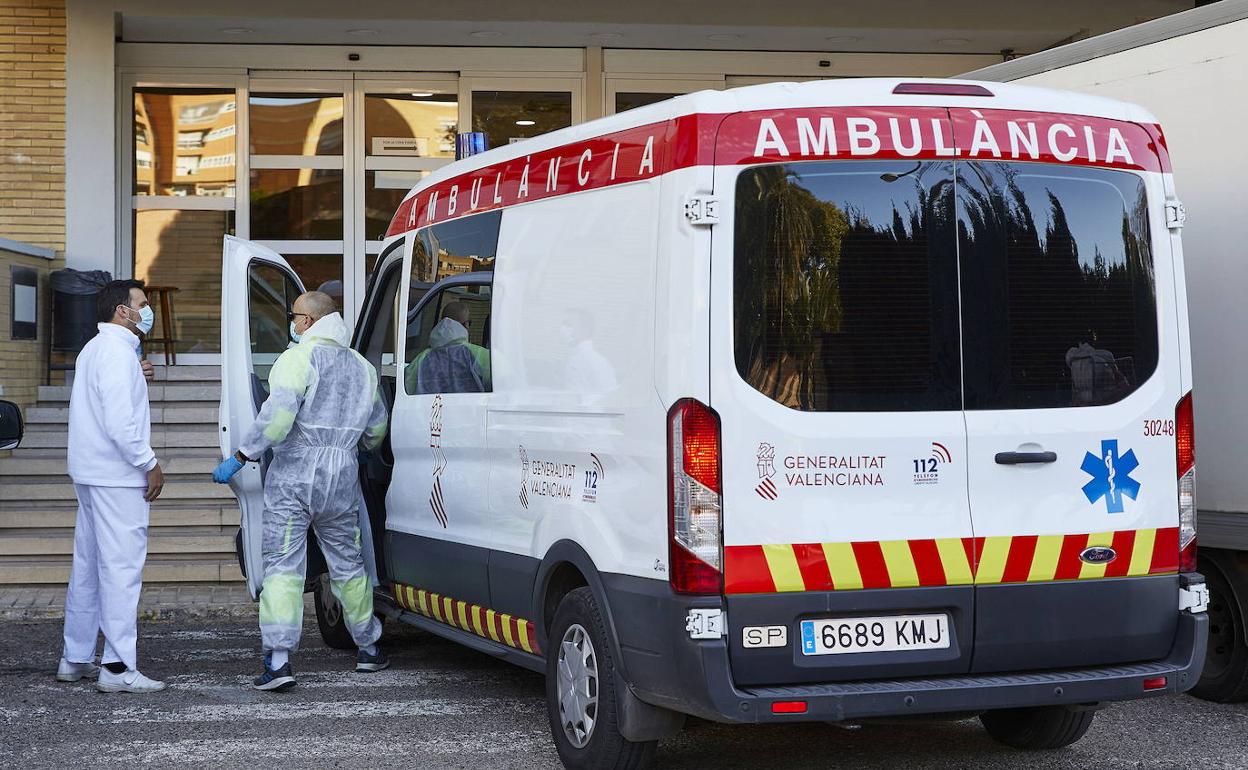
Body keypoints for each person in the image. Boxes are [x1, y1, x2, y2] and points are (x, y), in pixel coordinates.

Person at [212, 291, 390, 691]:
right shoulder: (362, 367)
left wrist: (242, 455)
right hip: (341, 477)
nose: (291, 324)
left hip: (294, 476)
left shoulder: (296, 359)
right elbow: (376, 428)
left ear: (308, 321)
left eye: (294, 317)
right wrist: (351, 451)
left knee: (283, 565)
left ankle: (278, 662)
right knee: (347, 562)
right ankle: (369, 648)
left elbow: (277, 419)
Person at [58, 279, 166, 694]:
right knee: (121, 570)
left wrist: (137, 372)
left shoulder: (98, 349)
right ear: (123, 311)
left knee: (87, 569)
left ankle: (76, 657)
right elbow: (121, 424)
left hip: (90, 473)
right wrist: (150, 463)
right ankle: (118, 668)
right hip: (117, 476)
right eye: (142, 304)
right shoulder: (118, 355)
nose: (147, 310)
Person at [405, 300, 491, 394]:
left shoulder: (421, 359)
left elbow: (408, 387)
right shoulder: (480, 355)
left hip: (432, 408)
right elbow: (502, 382)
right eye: (469, 322)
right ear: (465, 324)